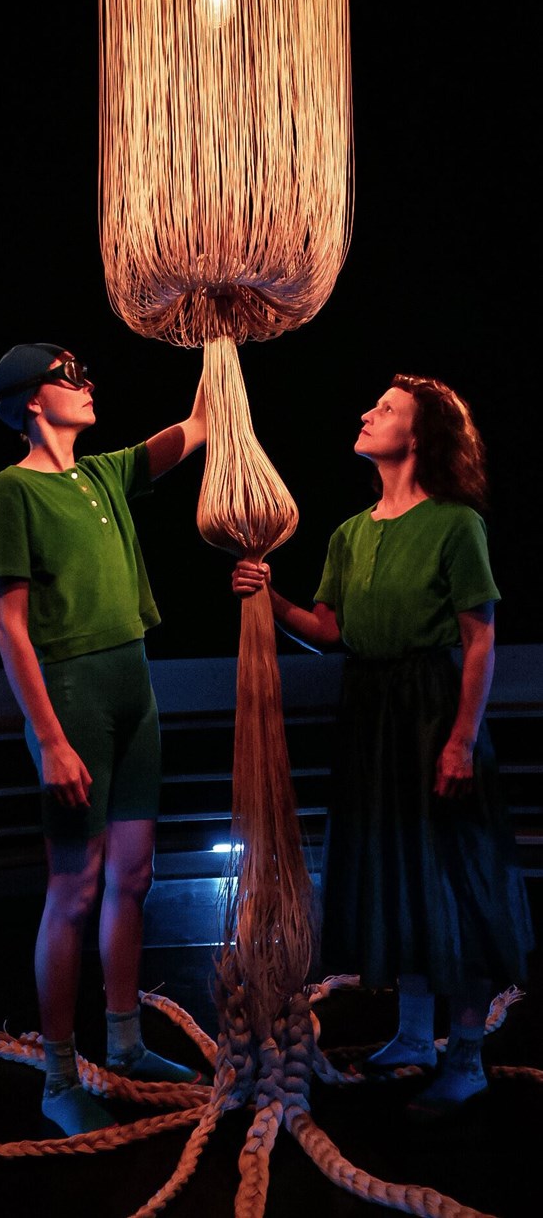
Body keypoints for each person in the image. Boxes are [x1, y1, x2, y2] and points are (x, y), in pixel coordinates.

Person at [232, 372, 534, 1115]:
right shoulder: (350, 532)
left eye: (387, 409)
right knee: (400, 877)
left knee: (454, 880)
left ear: (421, 435)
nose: (367, 413)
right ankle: (413, 1034)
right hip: (370, 715)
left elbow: (480, 638)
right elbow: (331, 631)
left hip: (430, 709)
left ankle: (465, 1055)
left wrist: (461, 740)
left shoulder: (457, 524)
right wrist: (267, 596)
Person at [0, 341, 207, 1135]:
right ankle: (57, 1076)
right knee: (75, 887)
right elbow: (10, 627)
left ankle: (126, 1041)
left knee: (134, 876)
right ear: (32, 401)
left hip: (133, 685)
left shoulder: (104, 473)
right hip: (72, 694)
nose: (86, 385)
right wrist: (50, 739)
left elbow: (200, 425)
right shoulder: (12, 491)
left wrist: (218, 333)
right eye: (69, 377)